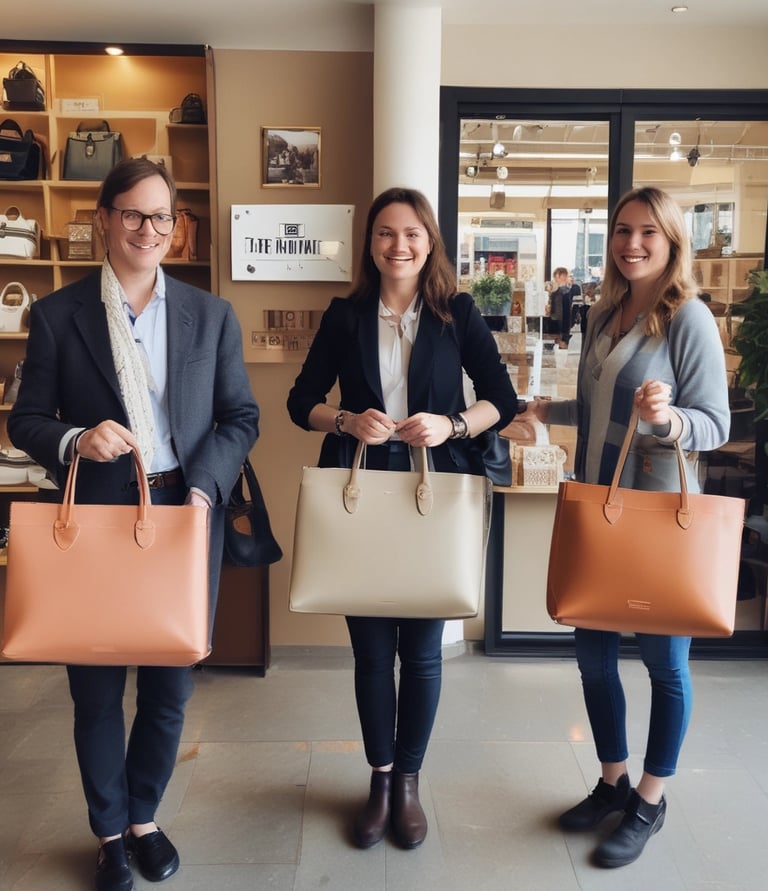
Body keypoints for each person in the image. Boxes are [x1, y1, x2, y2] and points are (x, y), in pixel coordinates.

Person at [8, 158, 259, 891]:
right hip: (97, 521)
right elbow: (26, 420)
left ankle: (144, 816)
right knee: (94, 690)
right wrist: (75, 438)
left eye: (161, 217)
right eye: (132, 214)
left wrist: (208, 488)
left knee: (171, 688)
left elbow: (240, 416)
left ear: (175, 227)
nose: (148, 230)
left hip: (185, 512)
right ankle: (109, 833)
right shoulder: (58, 314)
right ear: (104, 220)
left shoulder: (208, 315)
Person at [287, 187, 518, 851]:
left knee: (420, 653)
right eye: (386, 233)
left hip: (433, 492)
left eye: (412, 233)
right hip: (361, 494)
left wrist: (450, 424)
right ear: (371, 242)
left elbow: (500, 399)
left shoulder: (457, 313)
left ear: (430, 240)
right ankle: (380, 777)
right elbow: (300, 399)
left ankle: (410, 780)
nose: (399, 245)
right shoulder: (345, 315)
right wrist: (346, 419)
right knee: (369, 652)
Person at [523, 187, 729, 868]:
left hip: (658, 520)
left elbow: (715, 424)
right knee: (592, 655)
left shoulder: (688, 318)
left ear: (672, 241)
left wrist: (669, 419)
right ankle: (612, 782)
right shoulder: (606, 310)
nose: (631, 243)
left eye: (647, 232)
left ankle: (650, 797)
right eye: (621, 231)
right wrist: (551, 410)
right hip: (601, 508)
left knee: (666, 665)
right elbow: (602, 409)